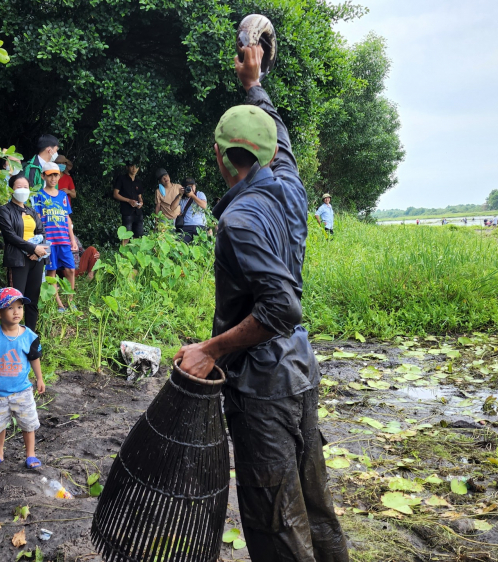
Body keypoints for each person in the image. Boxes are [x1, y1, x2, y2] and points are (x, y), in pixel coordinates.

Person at [174, 45, 349, 562]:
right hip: (300, 369)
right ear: (270, 154)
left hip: (263, 385)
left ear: (221, 157)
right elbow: (280, 137)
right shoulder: (291, 187)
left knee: (276, 518)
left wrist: (210, 348)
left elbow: (280, 308)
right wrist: (255, 83)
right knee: (314, 504)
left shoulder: (240, 221)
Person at [0, 288, 46, 469]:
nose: (17, 312)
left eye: (20, 307)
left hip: (22, 390)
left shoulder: (29, 336)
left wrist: (39, 379)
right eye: (10, 308)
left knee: (28, 423)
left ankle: (30, 454)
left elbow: (34, 359)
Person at [0, 173, 49, 330]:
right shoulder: (4, 210)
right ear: (11, 189)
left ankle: (31, 336)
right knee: (15, 301)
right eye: (19, 187)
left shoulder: (31, 211)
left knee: (32, 300)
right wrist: (32, 248)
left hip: (36, 260)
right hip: (18, 259)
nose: (23, 190)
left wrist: (38, 251)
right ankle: (14, 335)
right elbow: (10, 236)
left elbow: (42, 233)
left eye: (26, 187)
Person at [32, 165, 77, 312]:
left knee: (71, 269)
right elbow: (37, 218)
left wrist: (73, 239)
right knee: (51, 272)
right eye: (50, 175)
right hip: (48, 242)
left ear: (59, 177)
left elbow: (67, 218)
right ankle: (59, 304)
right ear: (44, 176)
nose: (53, 178)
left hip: (63, 240)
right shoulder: (39, 195)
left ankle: (70, 300)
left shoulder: (63, 196)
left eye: (56, 175)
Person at [112, 162, 144, 241]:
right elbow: (115, 194)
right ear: (127, 167)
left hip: (138, 212)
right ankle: (123, 253)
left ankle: (134, 253)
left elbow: (140, 197)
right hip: (127, 211)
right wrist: (128, 200)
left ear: (138, 168)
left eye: (136, 166)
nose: (134, 168)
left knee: (138, 237)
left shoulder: (138, 181)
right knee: (125, 237)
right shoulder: (121, 179)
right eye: (131, 166)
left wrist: (141, 202)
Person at [176, 177, 208, 243]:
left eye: (192, 186)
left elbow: (204, 206)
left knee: (201, 248)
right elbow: (172, 207)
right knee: (180, 246)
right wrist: (179, 195)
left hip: (200, 226)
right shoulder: (182, 198)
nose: (190, 188)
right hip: (186, 226)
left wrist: (192, 195)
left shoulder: (200, 194)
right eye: (188, 186)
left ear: (195, 186)